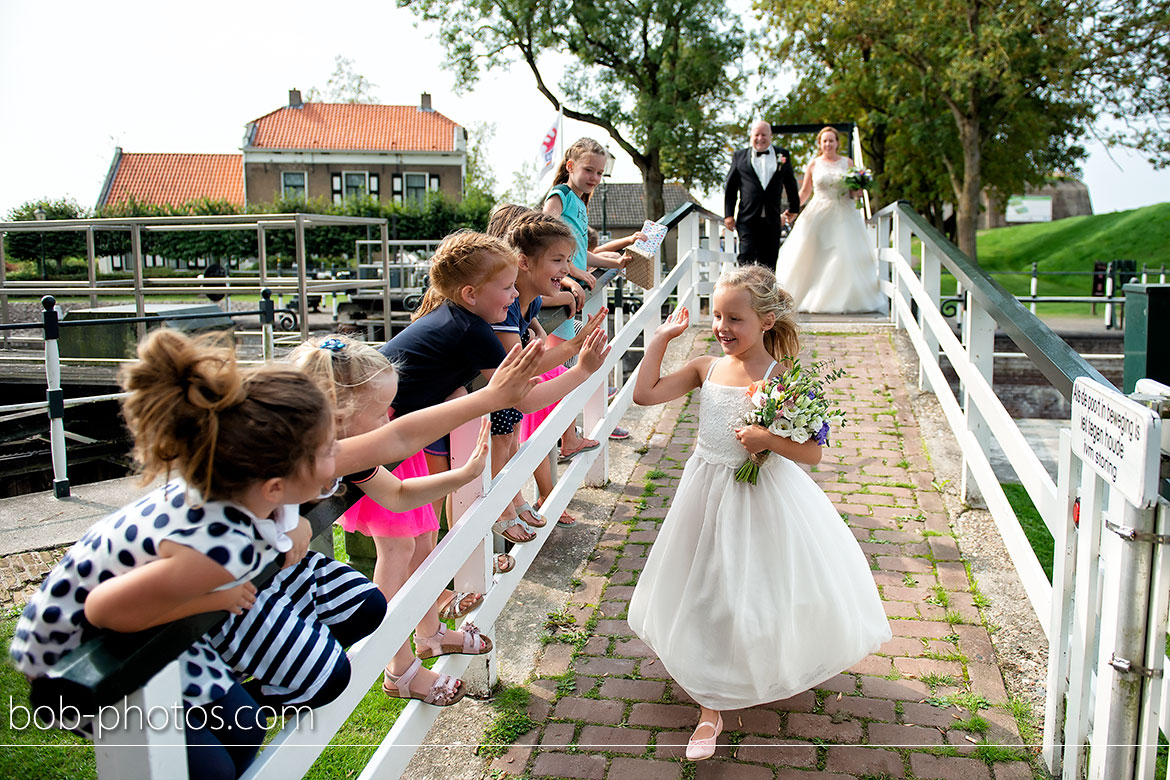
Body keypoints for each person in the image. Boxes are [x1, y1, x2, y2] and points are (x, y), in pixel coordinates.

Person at [9, 329, 342, 780]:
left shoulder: (238, 487)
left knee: (244, 730)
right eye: (327, 449)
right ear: (275, 485)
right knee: (208, 770)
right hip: (80, 651)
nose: (338, 454)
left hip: (160, 620)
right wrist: (214, 600)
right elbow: (103, 608)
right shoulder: (213, 550)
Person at [627, 265, 891, 761]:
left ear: (767, 321)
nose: (722, 327)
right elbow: (645, 394)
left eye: (735, 319)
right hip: (705, 489)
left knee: (755, 587)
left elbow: (812, 453)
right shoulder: (706, 367)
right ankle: (712, 701)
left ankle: (755, 664)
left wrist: (768, 440)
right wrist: (661, 337)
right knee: (705, 584)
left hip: (759, 495)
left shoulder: (783, 379)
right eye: (718, 316)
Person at [287, 335, 494, 706]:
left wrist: (464, 475)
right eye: (381, 410)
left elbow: (397, 493)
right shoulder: (295, 452)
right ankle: (399, 666)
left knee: (420, 545)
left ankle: (426, 636)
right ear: (338, 414)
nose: (389, 417)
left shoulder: (347, 448)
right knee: (392, 560)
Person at [381, 230, 610, 551]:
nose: (516, 295)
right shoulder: (472, 330)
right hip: (388, 429)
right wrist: (583, 369)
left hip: (399, 425)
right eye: (507, 287)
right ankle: (447, 586)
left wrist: (569, 345)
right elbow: (523, 399)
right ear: (471, 294)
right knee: (410, 541)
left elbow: (513, 386)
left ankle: (446, 587)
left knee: (424, 534)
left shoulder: (461, 320)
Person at [544, 137, 640, 459]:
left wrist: (615, 263)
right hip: (562, 289)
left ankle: (567, 436)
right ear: (570, 166)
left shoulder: (582, 204)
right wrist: (569, 272)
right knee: (563, 369)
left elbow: (583, 256)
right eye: (588, 170)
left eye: (599, 173)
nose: (594, 178)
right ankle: (565, 438)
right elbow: (547, 242)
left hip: (575, 288)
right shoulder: (560, 196)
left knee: (568, 366)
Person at [775, 126, 885, 313]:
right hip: (817, 213)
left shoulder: (848, 163)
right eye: (824, 141)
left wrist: (857, 191)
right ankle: (810, 297)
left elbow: (853, 191)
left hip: (844, 214)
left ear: (837, 143)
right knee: (812, 255)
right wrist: (792, 210)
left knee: (843, 256)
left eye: (831, 140)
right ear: (820, 143)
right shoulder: (814, 164)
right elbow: (806, 192)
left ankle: (842, 300)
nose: (828, 144)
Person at [723, 120, 801, 270]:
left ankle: (766, 293)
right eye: (756, 135)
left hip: (772, 219)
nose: (760, 138)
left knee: (769, 262)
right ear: (751, 136)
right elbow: (731, 187)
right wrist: (728, 214)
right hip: (747, 218)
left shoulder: (782, 155)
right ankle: (745, 293)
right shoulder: (739, 156)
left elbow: (790, 183)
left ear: (770, 136)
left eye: (764, 135)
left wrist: (794, 209)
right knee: (746, 258)